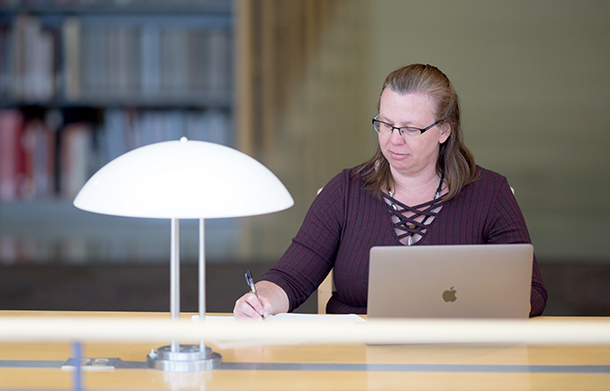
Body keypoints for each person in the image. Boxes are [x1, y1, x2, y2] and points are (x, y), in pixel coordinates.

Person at [234, 63, 547, 319]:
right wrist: (261, 299)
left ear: (444, 130)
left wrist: (483, 310)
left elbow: (532, 292)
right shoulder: (345, 191)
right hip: (357, 361)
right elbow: (290, 278)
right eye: (385, 124)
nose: (394, 140)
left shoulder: (490, 194)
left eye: (410, 129)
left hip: (459, 359)